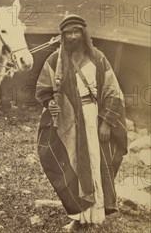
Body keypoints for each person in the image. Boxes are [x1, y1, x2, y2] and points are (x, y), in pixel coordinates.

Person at [35, 14, 127, 231]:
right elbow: (43, 89)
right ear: (63, 35)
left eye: (77, 31)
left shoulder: (98, 58)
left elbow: (113, 91)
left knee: (95, 163)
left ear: (84, 33)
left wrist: (106, 122)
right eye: (68, 32)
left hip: (94, 118)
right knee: (72, 163)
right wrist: (50, 104)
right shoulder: (55, 60)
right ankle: (78, 215)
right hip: (69, 122)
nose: (73, 36)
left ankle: (95, 214)